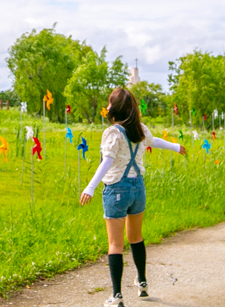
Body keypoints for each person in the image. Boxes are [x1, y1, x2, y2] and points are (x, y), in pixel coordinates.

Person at [80, 87, 187, 307]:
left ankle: (117, 296)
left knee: (115, 245)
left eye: (109, 103)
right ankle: (143, 283)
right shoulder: (139, 129)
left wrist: (90, 187)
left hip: (117, 190)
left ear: (116, 108)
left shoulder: (113, 132)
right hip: (138, 188)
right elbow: (154, 141)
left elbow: (107, 161)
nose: (107, 106)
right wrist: (176, 147)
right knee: (136, 238)